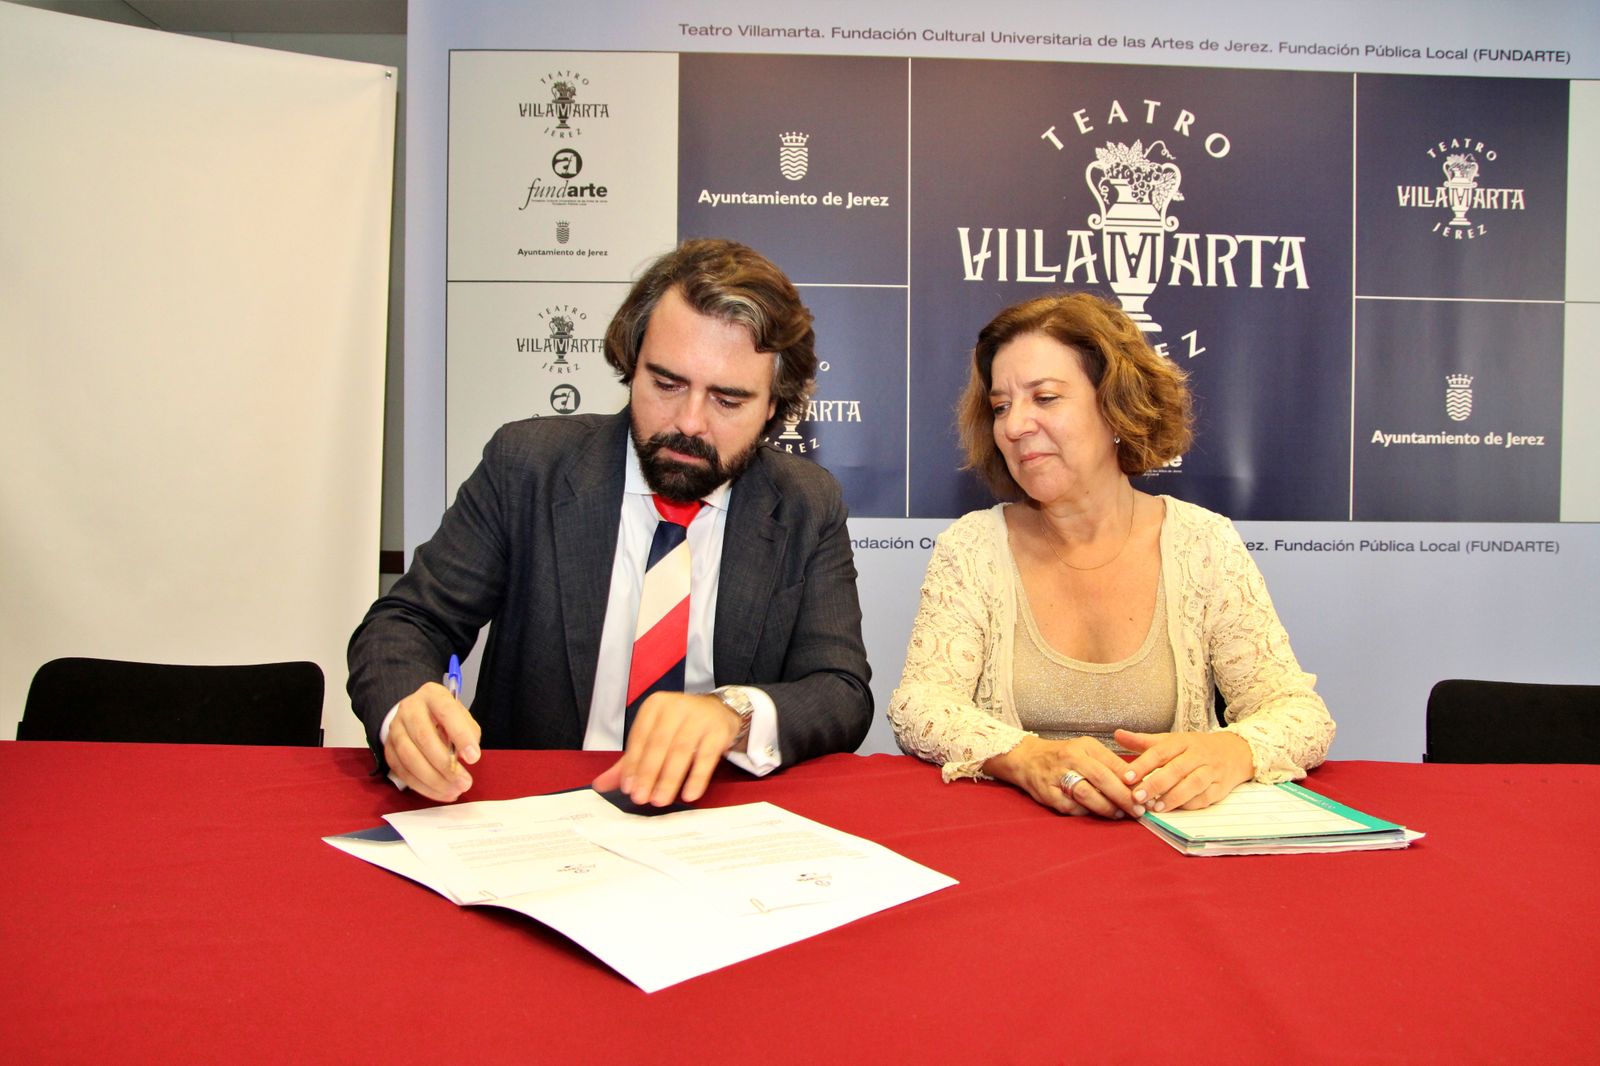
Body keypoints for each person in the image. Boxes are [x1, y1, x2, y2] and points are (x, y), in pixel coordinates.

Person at [349, 239, 872, 806]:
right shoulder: (528, 466)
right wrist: (406, 709)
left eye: (727, 400)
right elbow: (406, 623)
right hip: (534, 814)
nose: (689, 423)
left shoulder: (806, 503)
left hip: (713, 819)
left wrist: (734, 713)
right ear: (630, 364)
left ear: (774, 404)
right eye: (666, 384)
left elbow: (839, 690)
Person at [888, 292, 1333, 819]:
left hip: (1170, 847)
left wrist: (1232, 750)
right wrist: (1026, 757)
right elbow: (921, 706)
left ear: (1116, 405)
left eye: (1045, 398)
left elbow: (1299, 713)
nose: (1013, 426)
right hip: (1015, 845)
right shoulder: (971, 549)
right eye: (1002, 406)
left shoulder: (1202, 543)